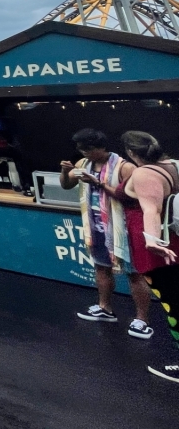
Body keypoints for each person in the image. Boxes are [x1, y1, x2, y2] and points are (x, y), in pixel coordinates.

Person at [60, 128, 153, 338]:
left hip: (123, 228)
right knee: (101, 268)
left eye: (88, 149)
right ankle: (105, 308)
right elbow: (67, 186)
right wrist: (66, 172)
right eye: (81, 149)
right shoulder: (83, 164)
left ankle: (142, 319)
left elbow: (136, 199)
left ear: (101, 147)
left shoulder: (125, 167)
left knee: (134, 273)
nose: (84, 152)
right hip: (95, 227)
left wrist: (98, 184)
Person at [118, 131, 179, 383]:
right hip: (173, 242)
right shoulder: (174, 165)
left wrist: (152, 241)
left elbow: (151, 210)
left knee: (173, 304)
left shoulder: (144, 173)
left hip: (159, 250)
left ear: (131, 153)